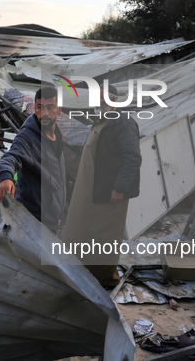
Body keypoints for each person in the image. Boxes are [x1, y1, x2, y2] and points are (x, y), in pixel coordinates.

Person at [63, 83, 142, 287]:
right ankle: (79, 275)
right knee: (79, 233)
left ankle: (103, 281)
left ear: (114, 100)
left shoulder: (123, 123)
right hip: (88, 191)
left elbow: (132, 157)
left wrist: (120, 188)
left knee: (102, 238)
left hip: (108, 193)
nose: (97, 101)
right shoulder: (102, 121)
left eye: (102, 97)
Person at [0, 86, 66, 232]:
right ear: (35, 108)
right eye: (40, 107)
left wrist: (58, 211)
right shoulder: (28, 137)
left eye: (50, 107)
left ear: (59, 109)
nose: (45, 113)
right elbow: (11, 156)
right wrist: (5, 177)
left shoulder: (57, 136)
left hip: (51, 218)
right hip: (32, 220)